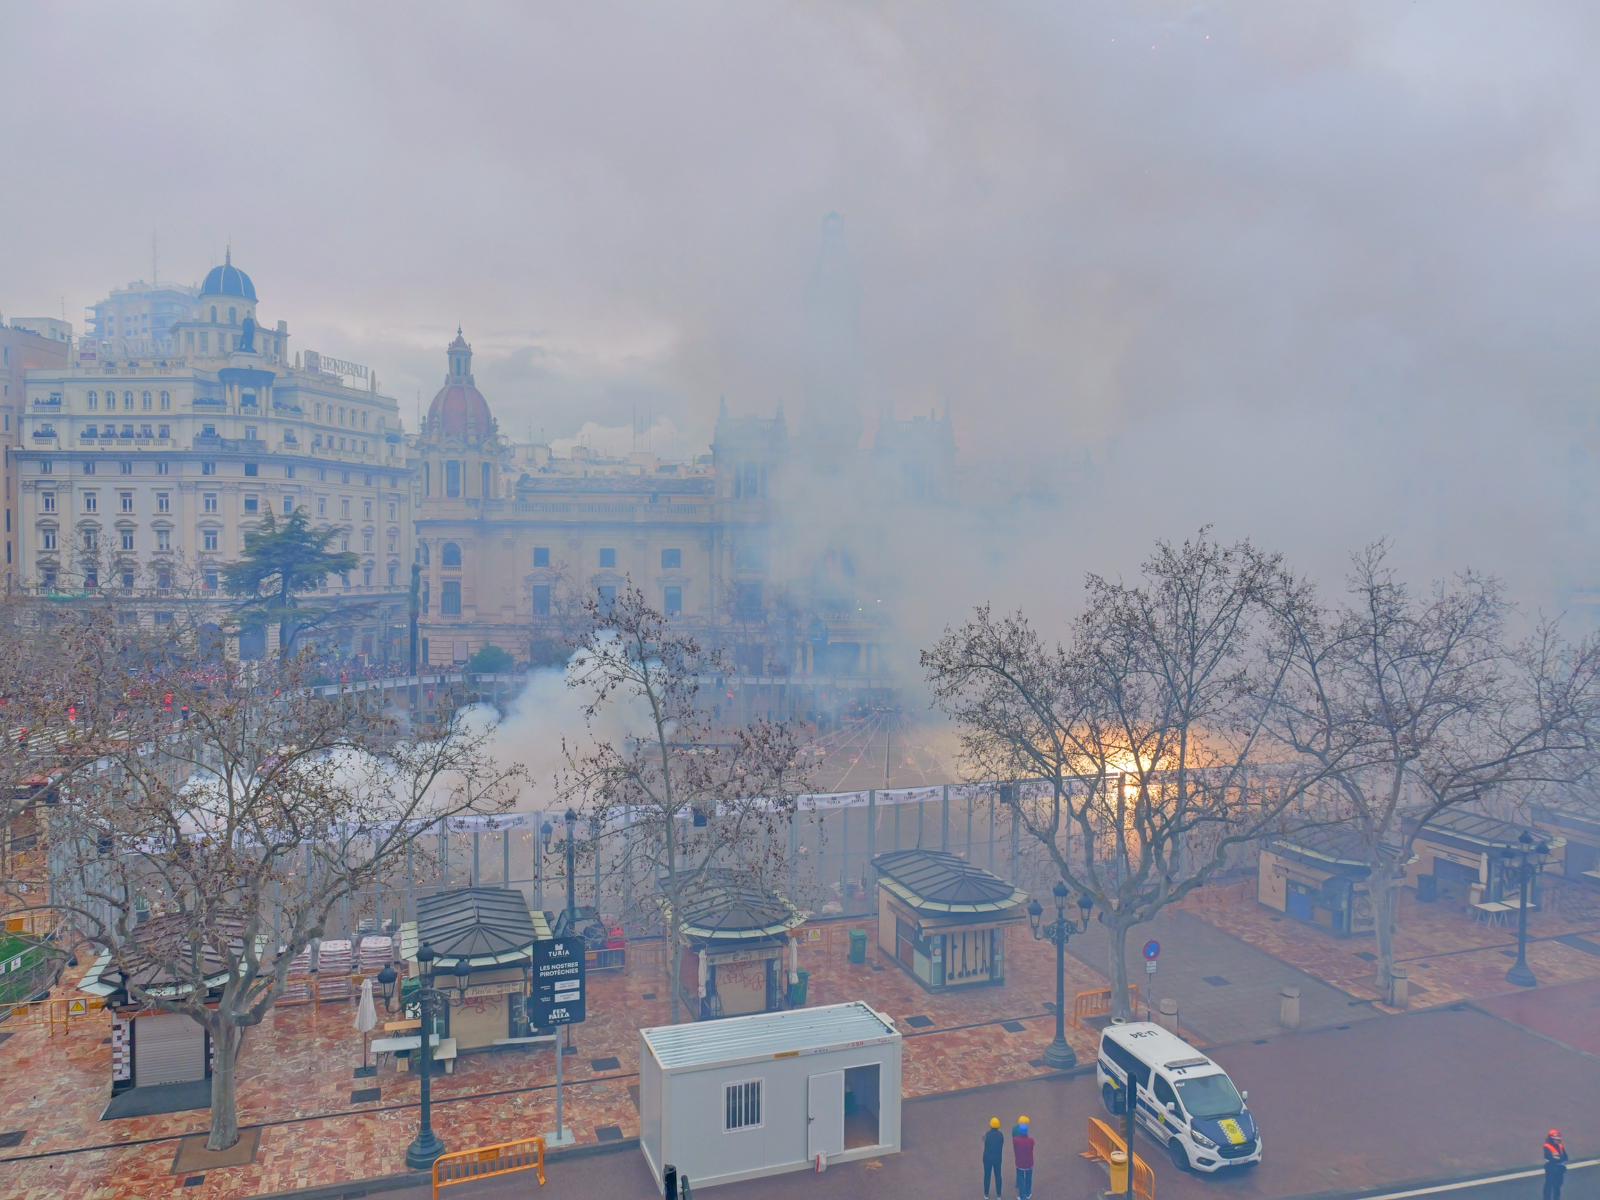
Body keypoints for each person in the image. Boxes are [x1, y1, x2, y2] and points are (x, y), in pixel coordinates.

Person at [1013, 1117, 1036, 1200]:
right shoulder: (1031, 1140)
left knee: (1021, 1180)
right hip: (1029, 1163)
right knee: (1029, 1178)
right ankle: (1028, 1193)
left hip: (1020, 1163)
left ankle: (1022, 1196)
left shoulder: (1016, 1140)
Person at [982, 1116, 1005, 1199]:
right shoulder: (1001, 1135)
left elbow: (984, 1141)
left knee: (987, 1176)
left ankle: (986, 1194)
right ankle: (999, 1195)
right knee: (998, 1176)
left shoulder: (987, 1134)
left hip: (987, 1158)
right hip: (997, 1159)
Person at [1543, 1130, 1568, 1200]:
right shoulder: (1547, 1146)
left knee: (1558, 1186)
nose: (1557, 1141)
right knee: (1549, 1186)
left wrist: (1558, 1159)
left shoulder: (1560, 1146)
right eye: (1556, 1139)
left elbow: (1565, 1157)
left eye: (1558, 1139)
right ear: (1551, 1139)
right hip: (1551, 1169)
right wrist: (1559, 1159)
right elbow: (1551, 1158)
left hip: (1560, 1169)